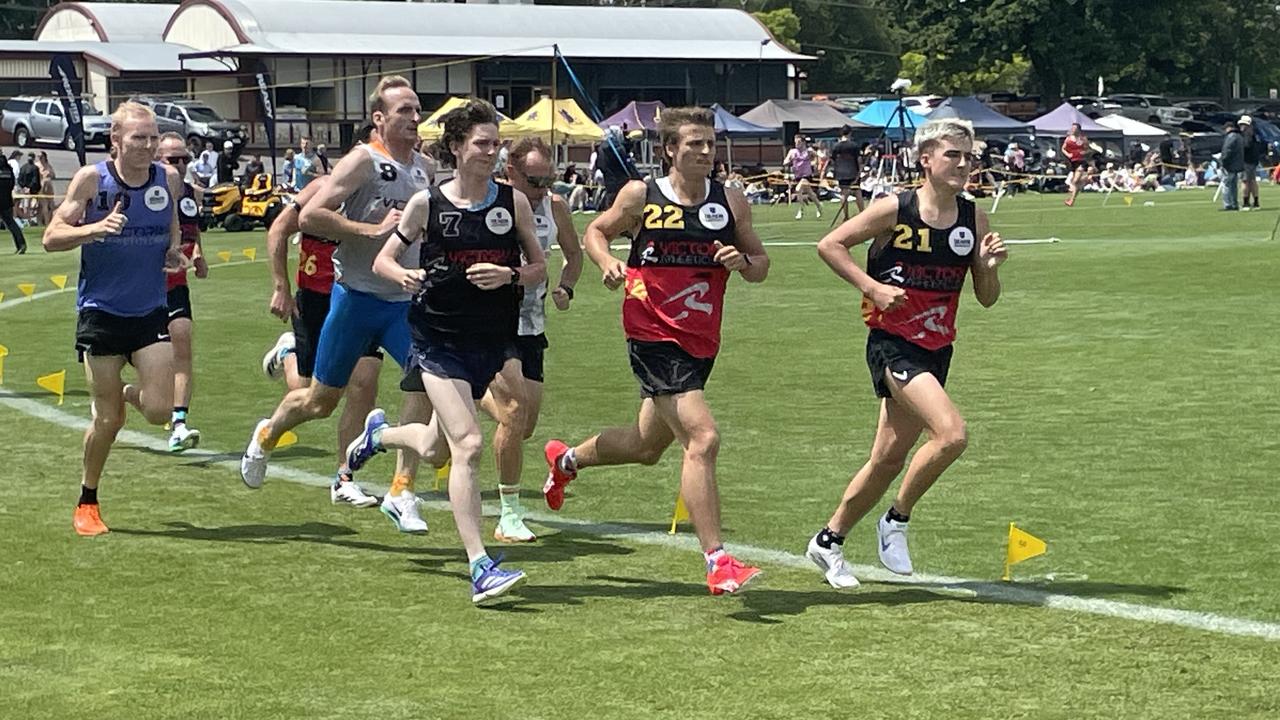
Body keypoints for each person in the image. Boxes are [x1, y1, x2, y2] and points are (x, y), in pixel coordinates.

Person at [540, 106, 770, 595]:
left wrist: (741, 260)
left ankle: (565, 461)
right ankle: (717, 561)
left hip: (701, 337)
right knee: (703, 438)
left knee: (646, 446)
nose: (706, 152)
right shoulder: (642, 195)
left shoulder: (730, 201)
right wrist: (606, 263)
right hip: (651, 331)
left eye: (710, 144)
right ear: (669, 150)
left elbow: (761, 265)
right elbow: (595, 231)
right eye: (694, 144)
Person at [345, 98, 548, 602]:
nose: (491, 152)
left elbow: (539, 267)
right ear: (456, 147)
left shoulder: (512, 202)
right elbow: (384, 261)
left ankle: (380, 435)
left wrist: (511, 274)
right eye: (482, 143)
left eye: (495, 144)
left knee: (436, 448)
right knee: (470, 444)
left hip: (491, 340)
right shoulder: (427, 204)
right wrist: (406, 275)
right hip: (437, 339)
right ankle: (480, 565)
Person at [804, 118, 1008, 589]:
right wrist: (872, 287)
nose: (963, 164)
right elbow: (829, 245)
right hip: (893, 343)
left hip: (938, 347)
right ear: (926, 160)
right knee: (952, 434)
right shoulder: (895, 208)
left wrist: (991, 267)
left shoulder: (974, 217)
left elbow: (987, 296)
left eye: (969, 156)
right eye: (952, 155)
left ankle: (828, 541)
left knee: (887, 459)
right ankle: (896, 520)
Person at [240, 76, 434, 514]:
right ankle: (267, 434)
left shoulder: (424, 168)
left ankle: (402, 490)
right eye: (405, 111)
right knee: (319, 401)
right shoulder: (361, 161)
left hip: (403, 302)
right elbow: (310, 216)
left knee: (425, 381)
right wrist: (370, 229)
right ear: (378, 118)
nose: (415, 118)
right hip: (356, 299)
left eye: (417, 109)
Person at [41, 101, 189, 536]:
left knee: (161, 411)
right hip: (100, 313)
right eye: (138, 137)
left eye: (153, 137)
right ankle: (88, 499)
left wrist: (174, 250)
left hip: (149, 311)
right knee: (109, 422)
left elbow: (172, 223)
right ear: (116, 140)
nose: (147, 145)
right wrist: (94, 229)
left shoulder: (169, 179)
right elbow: (51, 238)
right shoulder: (93, 180)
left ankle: (126, 390)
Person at [260, 128, 407, 516]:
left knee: (365, 385)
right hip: (316, 298)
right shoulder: (321, 189)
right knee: (314, 395)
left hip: (360, 297)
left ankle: (344, 476)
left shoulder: (394, 188)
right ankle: (289, 352)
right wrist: (280, 287)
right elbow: (278, 229)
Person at [473, 135, 583, 542]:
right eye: (534, 180)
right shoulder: (488, 202)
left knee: (525, 425)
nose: (542, 189)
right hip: (492, 322)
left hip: (532, 324)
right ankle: (509, 514)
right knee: (514, 413)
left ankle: (465, 390)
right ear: (510, 172)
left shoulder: (554, 206)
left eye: (548, 179)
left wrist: (566, 288)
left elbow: (574, 254)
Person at [156, 132, 209, 452]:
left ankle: (179, 424)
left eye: (185, 159)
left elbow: (192, 229)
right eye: (172, 159)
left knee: (183, 343)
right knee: (149, 388)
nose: (180, 165)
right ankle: (118, 395)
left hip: (176, 285)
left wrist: (200, 254)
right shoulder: (147, 191)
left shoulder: (191, 194)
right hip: (141, 290)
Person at [831, 126, 865, 224]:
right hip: (854, 172)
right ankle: (862, 213)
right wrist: (860, 172)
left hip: (841, 173)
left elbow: (832, 161)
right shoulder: (854, 146)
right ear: (850, 133)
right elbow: (859, 160)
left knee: (843, 194)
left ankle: (846, 216)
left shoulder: (836, 146)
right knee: (858, 192)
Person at [783, 135, 821, 220]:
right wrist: (788, 161)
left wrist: (814, 164)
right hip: (798, 176)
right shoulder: (792, 151)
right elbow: (785, 161)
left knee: (798, 189)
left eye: (799, 142)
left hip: (807, 175)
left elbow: (817, 157)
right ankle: (819, 206)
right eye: (795, 142)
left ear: (803, 142)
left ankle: (801, 209)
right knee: (810, 193)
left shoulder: (808, 151)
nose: (796, 144)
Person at [0, 152, 25, 253]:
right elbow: (11, 184)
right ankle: (21, 244)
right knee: (11, 224)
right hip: (6, 200)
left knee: (10, 223)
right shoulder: (8, 169)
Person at [1061, 123, 1088, 207]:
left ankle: (1072, 200)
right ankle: (1072, 199)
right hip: (1073, 162)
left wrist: (1084, 152)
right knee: (1076, 183)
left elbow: (1088, 149)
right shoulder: (1068, 139)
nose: (1073, 130)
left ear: (1078, 130)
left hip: (1081, 161)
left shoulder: (1083, 139)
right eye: (1072, 128)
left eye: (1074, 128)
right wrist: (1068, 154)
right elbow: (1063, 148)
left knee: (1075, 181)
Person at [1219, 119, 1244, 211]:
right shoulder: (1240, 137)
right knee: (1233, 185)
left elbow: (1227, 151)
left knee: (1226, 185)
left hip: (1229, 165)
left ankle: (1227, 204)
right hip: (1237, 164)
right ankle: (1234, 203)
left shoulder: (1230, 137)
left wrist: (1223, 162)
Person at [1240, 115, 1262, 210]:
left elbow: (1246, 147)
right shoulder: (1255, 134)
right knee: (1252, 181)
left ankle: (1246, 202)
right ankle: (1256, 202)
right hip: (1254, 160)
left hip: (1246, 160)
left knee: (1245, 182)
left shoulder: (1246, 135)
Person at [35, 151, 55, 226]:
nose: (40, 158)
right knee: (43, 205)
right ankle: (45, 222)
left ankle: (48, 220)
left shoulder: (48, 165)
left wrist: (49, 174)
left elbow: (53, 175)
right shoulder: (36, 165)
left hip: (49, 187)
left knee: (51, 205)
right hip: (40, 187)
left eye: (41, 157)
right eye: (38, 157)